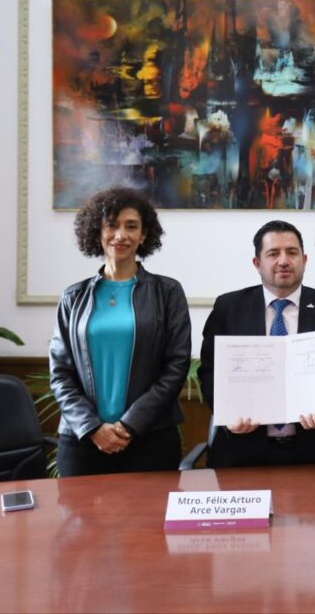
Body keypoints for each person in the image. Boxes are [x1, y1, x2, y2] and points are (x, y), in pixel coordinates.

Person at [49, 187, 191, 476]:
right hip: (83, 440)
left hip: (151, 437)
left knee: (150, 509)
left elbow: (176, 366)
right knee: (79, 509)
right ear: (97, 232)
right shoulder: (73, 297)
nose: (121, 235)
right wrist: (92, 428)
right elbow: (60, 373)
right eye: (111, 225)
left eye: (131, 226)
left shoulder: (167, 292)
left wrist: (129, 425)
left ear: (144, 235)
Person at [198, 220, 315, 467]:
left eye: (292, 252)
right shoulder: (228, 308)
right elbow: (209, 372)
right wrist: (228, 414)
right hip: (241, 449)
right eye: (273, 254)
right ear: (257, 263)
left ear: (304, 259)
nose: (283, 261)